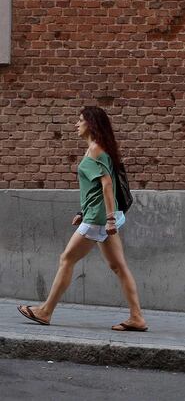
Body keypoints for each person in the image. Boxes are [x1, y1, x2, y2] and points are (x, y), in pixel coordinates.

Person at [17, 106, 148, 332]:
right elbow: (97, 188)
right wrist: (82, 211)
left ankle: (45, 311)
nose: (76, 125)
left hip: (98, 219)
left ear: (91, 124)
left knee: (67, 258)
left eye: (80, 121)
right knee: (119, 267)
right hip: (98, 215)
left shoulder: (96, 149)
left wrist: (107, 220)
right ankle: (136, 317)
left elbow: (107, 185)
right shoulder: (98, 149)